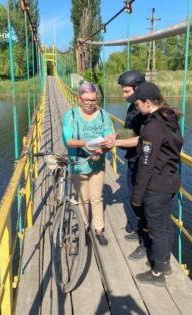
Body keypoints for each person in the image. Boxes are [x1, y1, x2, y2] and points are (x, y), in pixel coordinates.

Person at [126, 82, 183, 286]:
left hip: (156, 186)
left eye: (138, 103)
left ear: (148, 102)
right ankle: (165, 262)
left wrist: (137, 197)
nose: (136, 106)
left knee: (157, 229)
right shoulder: (170, 118)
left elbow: (147, 164)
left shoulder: (152, 127)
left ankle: (158, 273)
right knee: (166, 225)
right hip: (170, 182)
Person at [62, 82, 114, 246]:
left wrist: (103, 150)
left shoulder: (104, 115)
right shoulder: (70, 115)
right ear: (79, 99)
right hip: (78, 163)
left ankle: (99, 229)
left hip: (97, 164)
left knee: (97, 197)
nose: (90, 103)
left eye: (93, 99)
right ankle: (85, 228)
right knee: (83, 199)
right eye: (86, 100)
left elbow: (110, 138)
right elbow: (68, 141)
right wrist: (87, 143)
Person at [114, 70, 149, 260]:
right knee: (134, 198)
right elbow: (129, 130)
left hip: (142, 162)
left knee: (141, 201)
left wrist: (115, 143)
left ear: (138, 88)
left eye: (127, 91)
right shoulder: (133, 107)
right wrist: (115, 137)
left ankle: (145, 244)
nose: (124, 95)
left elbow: (142, 139)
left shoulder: (145, 109)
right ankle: (139, 231)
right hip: (132, 159)